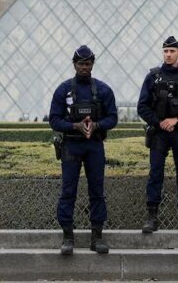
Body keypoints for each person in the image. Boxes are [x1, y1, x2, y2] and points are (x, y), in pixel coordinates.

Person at [49, 45, 118, 255]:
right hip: (71, 144)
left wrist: (96, 126)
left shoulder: (104, 90)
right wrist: (75, 126)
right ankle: (67, 236)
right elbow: (54, 120)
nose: (84, 68)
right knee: (68, 191)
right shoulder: (63, 90)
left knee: (97, 191)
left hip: (94, 145)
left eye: (88, 64)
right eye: (81, 64)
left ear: (92, 65)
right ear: (74, 64)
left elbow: (113, 118)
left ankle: (97, 236)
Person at [137, 36, 178, 234]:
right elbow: (142, 107)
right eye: (165, 51)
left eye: (172, 51)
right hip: (159, 133)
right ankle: (152, 217)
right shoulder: (152, 78)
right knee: (155, 174)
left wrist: (176, 121)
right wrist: (160, 123)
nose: (168, 54)